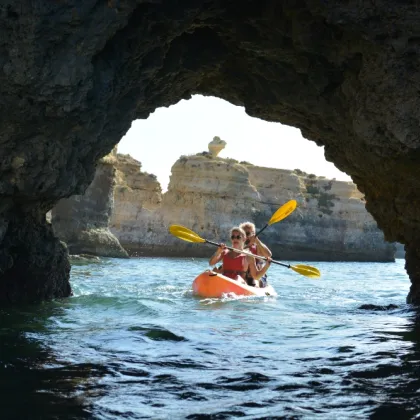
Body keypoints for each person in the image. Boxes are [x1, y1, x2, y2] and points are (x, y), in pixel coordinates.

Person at [239, 221, 272, 288]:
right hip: (243, 274)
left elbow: (268, 255)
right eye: (243, 233)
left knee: (254, 280)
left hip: (258, 277)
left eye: (248, 233)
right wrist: (249, 244)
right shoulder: (239, 246)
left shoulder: (258, 247)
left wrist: (257, 241)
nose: (246, 236)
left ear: (253, 234)